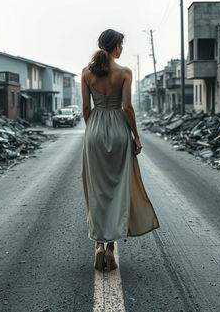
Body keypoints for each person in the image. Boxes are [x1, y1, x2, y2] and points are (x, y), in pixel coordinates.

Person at [81, 29, 159, 272]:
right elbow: (127, 107)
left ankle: (99, 246)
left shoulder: (86, 73)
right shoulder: (124, 72)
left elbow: (85, 107)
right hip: (118, 131)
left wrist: (93, 128)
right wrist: (136, 136)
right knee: (118, 189)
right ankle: (111, 249)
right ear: (116, 47)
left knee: (97, 189)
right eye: (121, 45)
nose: (122, 49)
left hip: (94, 130)